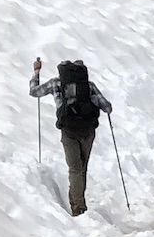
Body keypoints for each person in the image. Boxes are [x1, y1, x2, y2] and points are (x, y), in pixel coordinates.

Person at [29, 55, 110, 216]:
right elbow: (107, 107)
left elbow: (34, 92)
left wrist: (36, 73)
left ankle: (78, 207)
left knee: (74, 169)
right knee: (82, 169)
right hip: (88, 132)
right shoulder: (89, 85)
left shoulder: (56, 83)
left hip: (68, 131)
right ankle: (79, 203)